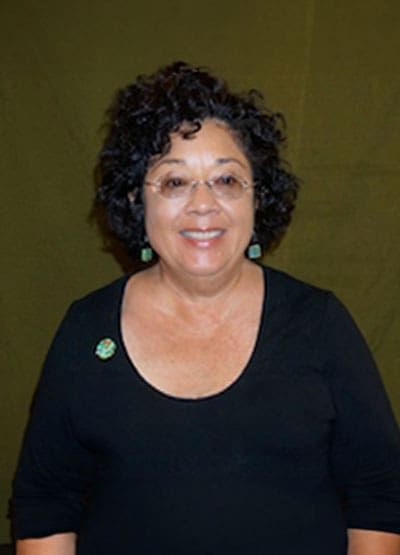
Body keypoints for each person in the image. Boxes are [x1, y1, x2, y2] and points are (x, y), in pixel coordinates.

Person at [13, 62, 400, 555]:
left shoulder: (318, 323)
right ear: (136, 200)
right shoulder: (84, 329)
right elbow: (46, 503)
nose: (203, 204)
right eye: (174, 183)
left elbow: (379, 495)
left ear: (257, 200)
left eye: (227, 180)